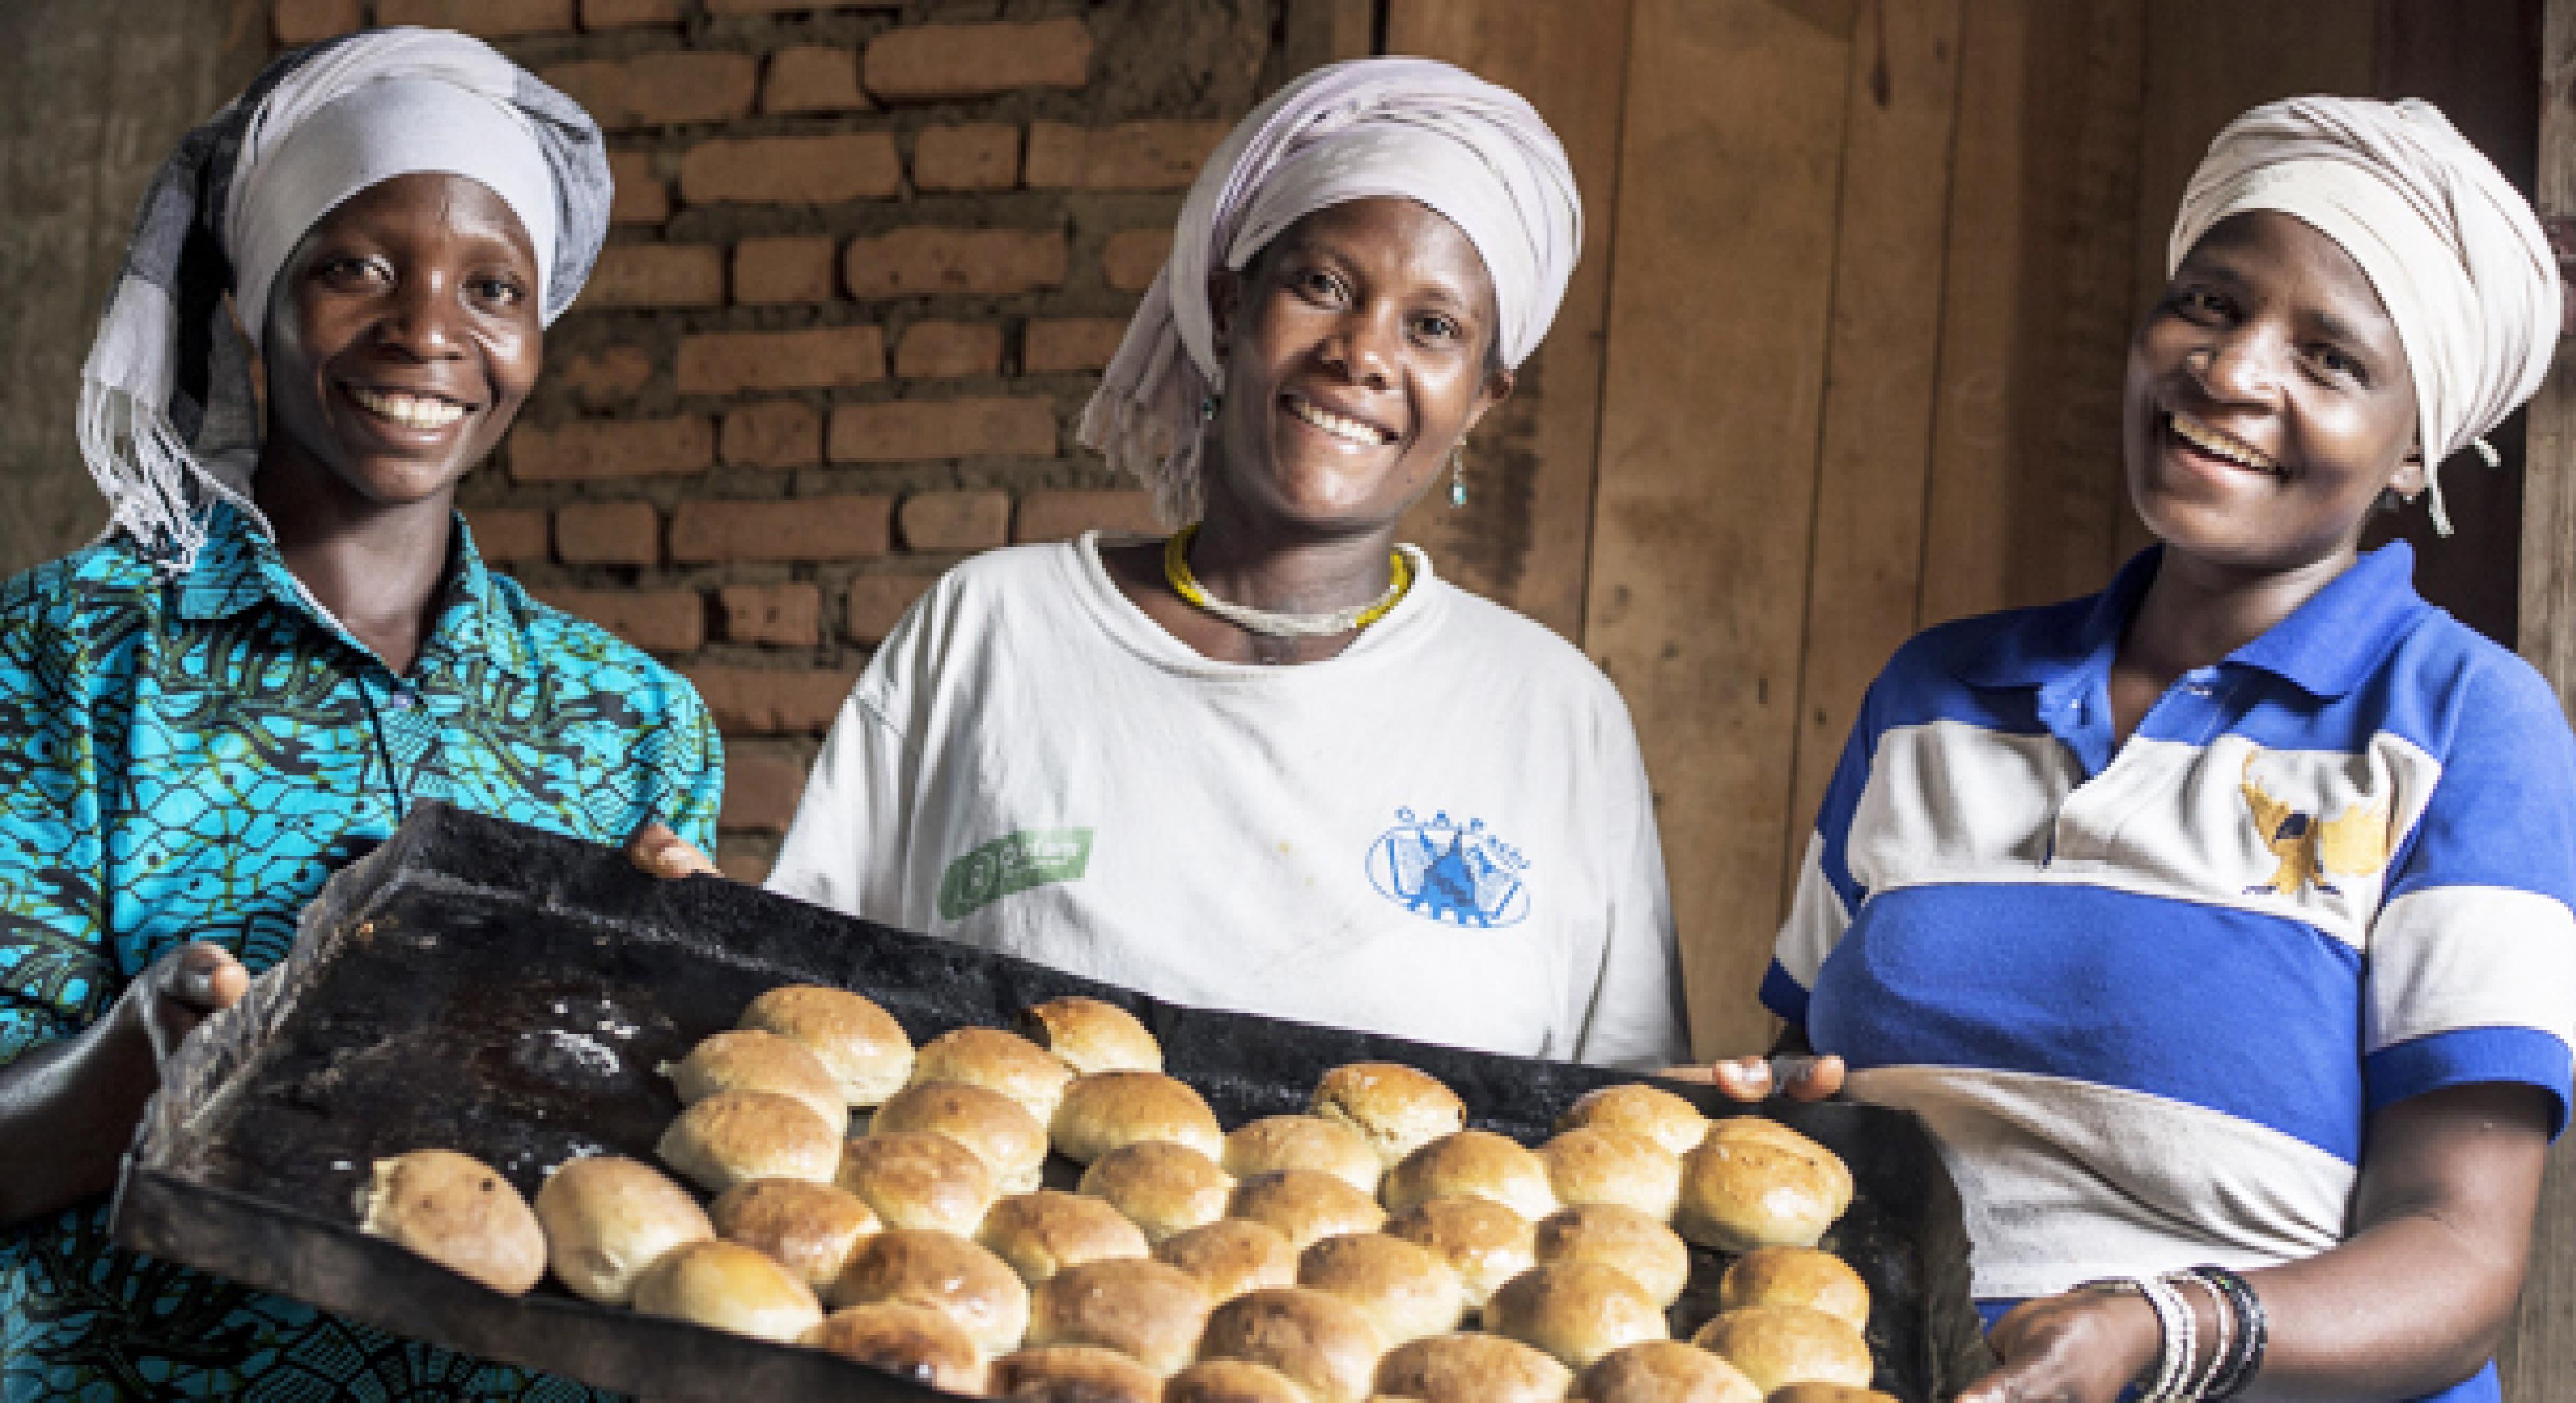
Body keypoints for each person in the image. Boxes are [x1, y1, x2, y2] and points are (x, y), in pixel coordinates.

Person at [1722, 97, 2572, 1402]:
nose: (2231, 374)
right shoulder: (1935, 693)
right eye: (2210, 303)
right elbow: (1799, 1073)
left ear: (2415, 452)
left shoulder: (2464, 725)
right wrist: (1766, 1100)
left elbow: (2457, 1257)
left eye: (2331, 359)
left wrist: (2155, 1335)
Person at [639, 58, 1687, 1069]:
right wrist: (695, 945)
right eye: (1323, 284)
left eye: (1433, 327)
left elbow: (1625, 1132)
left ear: (1481, 401)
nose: (1364, 354)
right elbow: (812, 1015)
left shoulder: (1555, 715)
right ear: (1231, 310)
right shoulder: (995, 630)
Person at [0, 29, 719, 1398]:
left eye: (490, 286)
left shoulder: (634, 720)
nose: (429, 329)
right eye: (356, 267)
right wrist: (134, 1066)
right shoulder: (59, 659)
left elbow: (636, 1174)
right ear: (260, 297)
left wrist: (675, 1013)